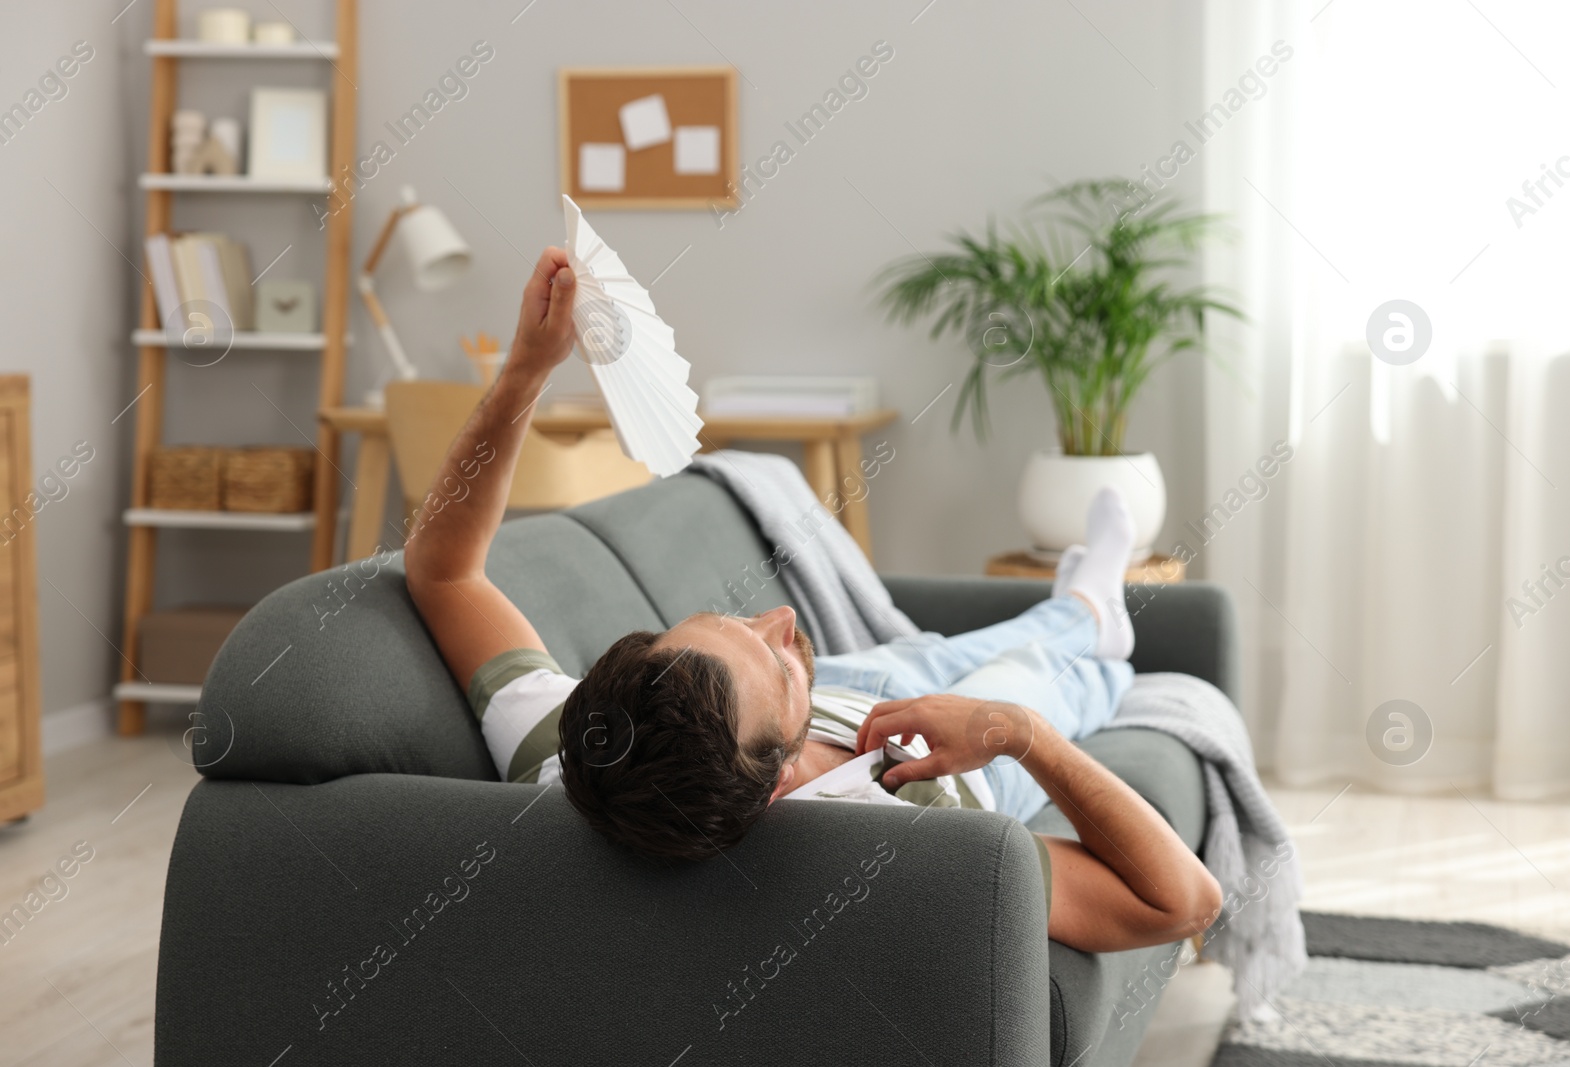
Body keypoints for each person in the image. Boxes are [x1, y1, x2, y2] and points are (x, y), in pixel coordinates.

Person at [405, 250, 1221, 953]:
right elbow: (1185, 903)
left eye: (727, 625)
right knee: (1041, 673)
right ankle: (1093, 625)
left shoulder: (575, 749)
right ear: (770, 786)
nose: (781, 617)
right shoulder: (911, 835)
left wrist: (527, 367)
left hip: (856, 697)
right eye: (777, 662)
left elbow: (445, 571)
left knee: (937, 657)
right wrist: (1021, 735)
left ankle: (1077, 605)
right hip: (941, 760)